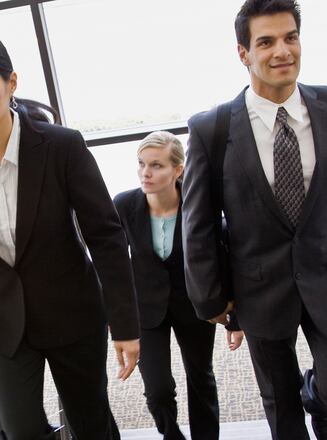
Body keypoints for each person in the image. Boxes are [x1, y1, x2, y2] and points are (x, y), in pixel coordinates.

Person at [182, 1, 327, 439]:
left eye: (291, 37)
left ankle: (316, 397)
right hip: (259, 287)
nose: (282, 51)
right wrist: (211, 298)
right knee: (281, 409)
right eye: (266, 42)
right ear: (243, 53)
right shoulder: (212, 128)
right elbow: (199, 223)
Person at [0, 35, 141, 440]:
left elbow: (105, 236)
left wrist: (125, 324)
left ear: (10, 83)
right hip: (2, 319)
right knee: (20, 431)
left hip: (71, 312)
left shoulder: (61, 147)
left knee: (90, 425)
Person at [113, 131, 243, 440]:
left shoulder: (201, 206)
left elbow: (225, 261)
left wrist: (234, 317)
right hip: (145, 309)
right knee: (157, 388)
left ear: (178, 170)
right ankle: (171, 434)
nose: (146, 172)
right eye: (141, 164)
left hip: (196, 305)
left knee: (201, 378)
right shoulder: (124, 205)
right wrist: (118, 321)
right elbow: (113, 266)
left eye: (156, 165)